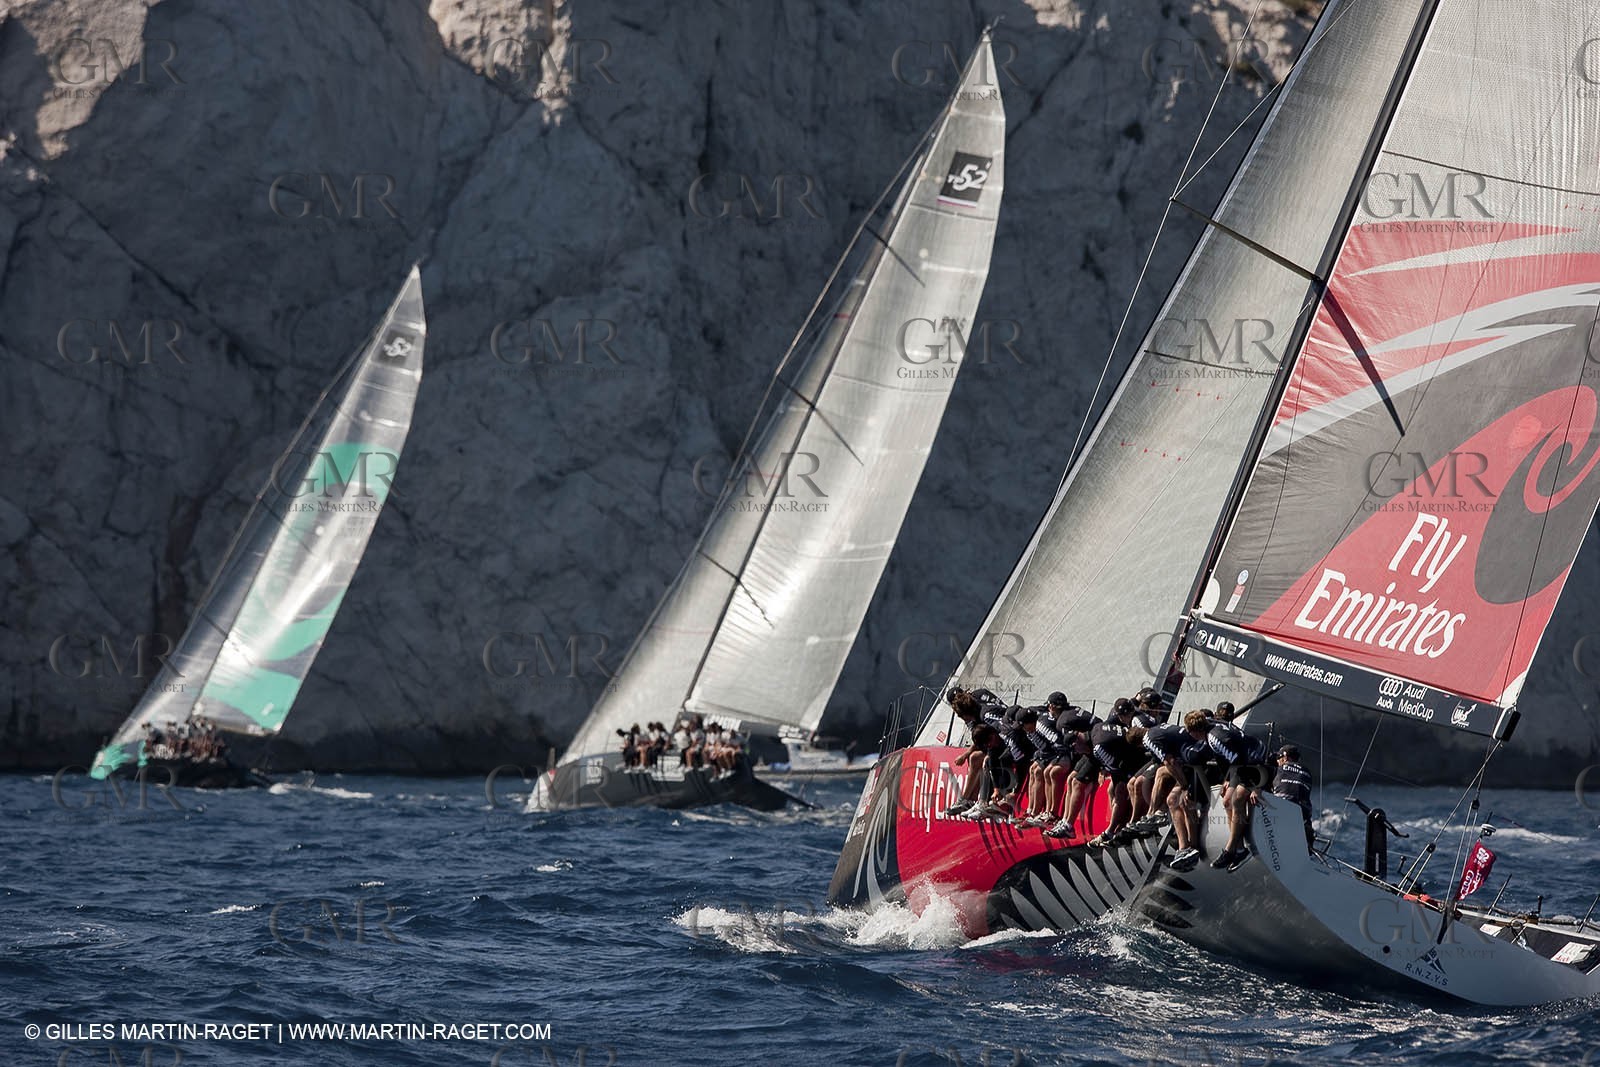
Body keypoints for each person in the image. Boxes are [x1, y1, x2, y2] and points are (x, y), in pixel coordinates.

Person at [1143, 710, 1215, 870]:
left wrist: (1185, 787)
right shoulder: (1185, 741)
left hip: (1206, 774)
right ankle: (1184, 848)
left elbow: (1189, 766)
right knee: (1172, 800)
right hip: (1195, 772)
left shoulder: (1202, 742)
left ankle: (1193, 847)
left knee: (1185, 802)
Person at [1207, 718, 1273, 869]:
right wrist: (1227, 780)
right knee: (1227, 801)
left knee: (1237, 799)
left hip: (1257, 764)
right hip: (1244, 766)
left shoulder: (1214, 736)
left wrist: (1256, 787)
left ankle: (1230, 848)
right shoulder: (1215, 732)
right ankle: (1240, 849)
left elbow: (1241, 761)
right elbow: (1227, 762)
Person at [1265, 745, 1315, 852]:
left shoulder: (1277, 770)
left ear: (1285, 758)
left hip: (1281, 813)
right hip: (1303, 817)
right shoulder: (1308, 773)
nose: (1277, 761)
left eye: (1278, 758)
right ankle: (1307, 845)